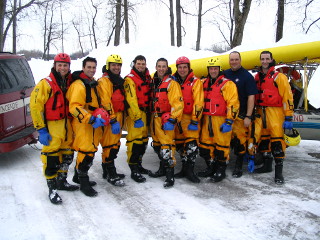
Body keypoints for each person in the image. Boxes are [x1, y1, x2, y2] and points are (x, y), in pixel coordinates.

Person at [30, 53, 79, 205]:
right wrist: (41, 129)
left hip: (67, 126)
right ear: (55, 65)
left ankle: (62, 181)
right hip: (52, 126)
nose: (63, 68)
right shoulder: (45, 84)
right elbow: (35, 106)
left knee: (67, 156)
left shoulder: (70, 82)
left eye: (65, 65)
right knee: (51, 159)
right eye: (60, 65)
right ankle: (52, 190)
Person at [248, 51, 294, 184]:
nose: (265, 61)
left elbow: (287, 97)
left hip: (275, 112)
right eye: (262, 59)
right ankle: (267, 165)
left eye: (267, 59)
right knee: (263, 139)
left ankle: (279, 173)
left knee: (277, 142)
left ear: (271, 60)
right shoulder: (257, 77)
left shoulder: (279, 77)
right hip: (260, 112)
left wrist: (288, 117)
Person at [66, 57, 105, 197]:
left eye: (94, 67)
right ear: (83, 68)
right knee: (86, 151)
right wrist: (90, 118)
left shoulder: (92, 83)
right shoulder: (79, 85)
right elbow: (74, 107)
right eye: (89, 67)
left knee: (90, 149)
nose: (91, 70)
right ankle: (83, 182)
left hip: (93, 122)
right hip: (84, 123)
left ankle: (77, 176)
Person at [198, 58, 239, 182]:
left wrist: (229, 121)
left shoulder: (228, 84)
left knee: (221, 147)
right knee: (205, 146)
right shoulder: (203, 82)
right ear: (208, 70)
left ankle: (221, 171)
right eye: (211, 68)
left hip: (221, 120)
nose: (213, 71)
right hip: (206, 119)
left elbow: (233, 103)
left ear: (219, 69)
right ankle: (211, 167)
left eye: (215, 68)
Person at [148, 58, 184, 188]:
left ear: (167, 68)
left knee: (167, 147)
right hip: (154, 118)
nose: (161, 69)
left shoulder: (171, 83)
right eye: (159, 66)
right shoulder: (154, 81)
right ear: (156, 67)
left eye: (164, 66)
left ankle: (170, 175)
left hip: (165, 119)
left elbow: (177, 103)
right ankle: (162, 169)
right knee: (157, 145)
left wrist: (173, 119)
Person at [224, 51, 258, 178]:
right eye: (231, 59)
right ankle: (223, 162)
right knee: (226, 139)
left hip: (241, 114)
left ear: (240, 60)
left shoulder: (247, 76)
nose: (234, 62)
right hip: (226, 114)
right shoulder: (225, 74)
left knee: (240, 141)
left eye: (236, 59)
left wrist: (248, 116)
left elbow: (251, 97)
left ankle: (238, 167)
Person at [173, 56, 204, 183]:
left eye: (184, 67)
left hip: (190, 118)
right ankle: (184, 169)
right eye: (180, 67)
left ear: (189, 67)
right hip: (178, 119)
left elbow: (199, 102)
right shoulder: (173, 81)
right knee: (180, 145)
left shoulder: (196, 82)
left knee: (191, 145)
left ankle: (190, 170)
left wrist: (195, 120)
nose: (182, 70)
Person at [97, 54, 125, 187]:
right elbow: (105, 101)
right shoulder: (105, 81)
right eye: (113, 65)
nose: (116, 67)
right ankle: (111, 173)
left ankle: (106, 170)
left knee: (115, 144)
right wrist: (113, 119)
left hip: (118, 115)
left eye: (118, 65)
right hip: (110, 118)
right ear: (108, 66)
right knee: (110, 146)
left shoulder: (117, 80)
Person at [124, 55, 151, 183]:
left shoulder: (147, 78)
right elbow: (131, 100)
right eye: (138, 64)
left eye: (143, 64)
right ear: (134, 64)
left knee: (143, 141)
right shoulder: (130, 80)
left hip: (145, 113)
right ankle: (133, 168)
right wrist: (136, 117)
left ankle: (139, 164)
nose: (141, 66)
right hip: (136, 114)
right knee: (135, 142)